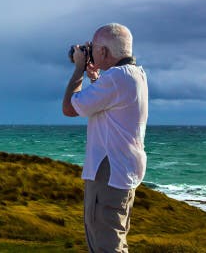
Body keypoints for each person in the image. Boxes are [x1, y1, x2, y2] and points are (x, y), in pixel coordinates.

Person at [62, 23, 148, 253]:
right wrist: (95, 79)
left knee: (105, 244)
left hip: (108, 172)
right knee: (114, 239)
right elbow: (108, 106)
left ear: (104, 52)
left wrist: (78, 69)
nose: (90, 51)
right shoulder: (135, 75)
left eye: (93, 47)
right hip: (122, 168)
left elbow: (70, 108)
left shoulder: (116, 79)